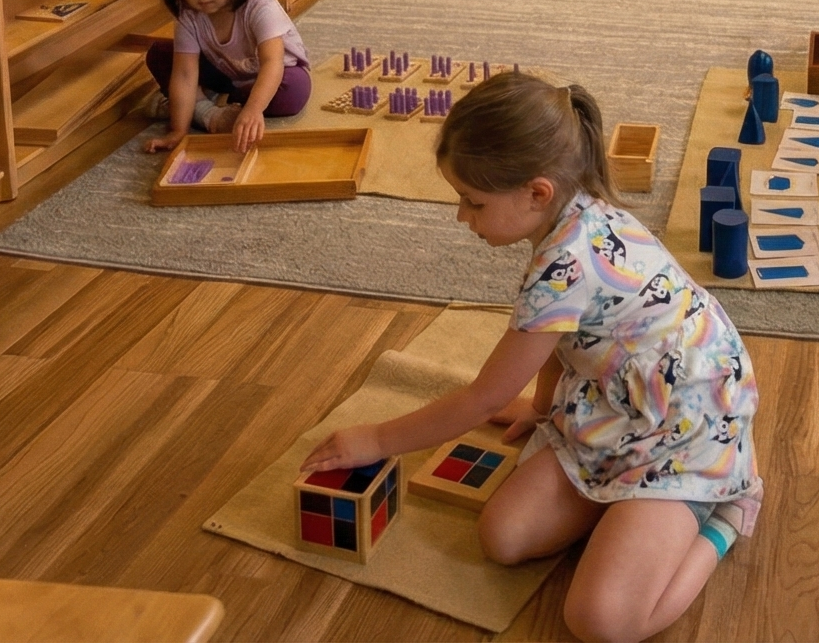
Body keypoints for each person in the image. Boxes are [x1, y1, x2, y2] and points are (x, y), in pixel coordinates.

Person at [301, 73, 759, 643]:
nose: (462, 217)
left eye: (473, 202)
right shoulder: (565, 218)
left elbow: (481, 397)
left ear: (537, 193)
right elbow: (562, 341)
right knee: (504, 538)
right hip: (615, 403)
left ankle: (724, 516)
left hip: (688, 425)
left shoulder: (565, 262)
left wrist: (373, 440)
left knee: (600, 621)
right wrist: (544, 409)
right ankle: (623, 508)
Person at [142, 0, 309, 156]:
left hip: (275, 74)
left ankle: (214, 102)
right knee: (160, 55)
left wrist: (252, 110)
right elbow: (185, 74)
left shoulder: (260, 6)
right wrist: (179, 130)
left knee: (294, 92)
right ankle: (211, 113)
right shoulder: (189, 14)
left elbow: (272, 63)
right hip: (230, 76)